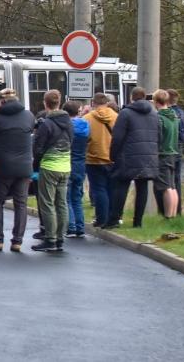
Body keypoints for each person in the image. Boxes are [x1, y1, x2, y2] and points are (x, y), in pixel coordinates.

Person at [0, 87, 34, 252]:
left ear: (1, 101)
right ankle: (17, 241)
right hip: (24, 167)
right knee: (21, 204)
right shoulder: (28, 116)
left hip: (2, 166)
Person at [108, 87, 160, 229]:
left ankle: (114, 219)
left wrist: (112, 155)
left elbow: (117, 137)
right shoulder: (154, 114)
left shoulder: (126, 113)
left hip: (128, 156)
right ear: (144, 97)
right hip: (148, 157)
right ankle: (138, 222)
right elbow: (158, 136)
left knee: (121, 186)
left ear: (132, 97)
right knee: (142, 188)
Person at [31, 90, 73, 252]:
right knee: (61, 203)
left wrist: (36, 164)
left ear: (45, 103)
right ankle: (61, 237)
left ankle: (50, 238)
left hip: (49, 167)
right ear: (60, 102)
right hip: (65, 167)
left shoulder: (46, 124)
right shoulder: (69, 122)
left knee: (47, 203)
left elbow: (38, 148)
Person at [84, 93, 118, 228]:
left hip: (94, 159)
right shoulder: (116, 117)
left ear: (93, 103)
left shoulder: (87, 118)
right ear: (107, 103)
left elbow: (83, 138)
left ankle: (101, 219)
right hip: (112, 158)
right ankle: (112, 218)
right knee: (111, 189)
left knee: (99, 190)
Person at [153, 90, 181, 218]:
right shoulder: (174, 116)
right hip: (173, 152)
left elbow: (157, 137)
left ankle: (168, 216)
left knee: (166, 187)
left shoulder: (159, 118)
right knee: (172, 186)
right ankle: (174, 214)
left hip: (163, 153)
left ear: (156, 101)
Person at [65, 100, 90, 238]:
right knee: (77, 197)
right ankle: (80, 226)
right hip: (81, 164)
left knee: (67, 198)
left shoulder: (66, 126)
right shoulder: (86, 125)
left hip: (68, 163)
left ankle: (71, 226)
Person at [167, 89, 184, 217]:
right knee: (177, 180)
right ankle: (178, 211)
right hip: (179, 148)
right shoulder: (181, 112)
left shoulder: (168, 113)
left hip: (170, 149)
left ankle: (169, 212)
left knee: (168, 182)